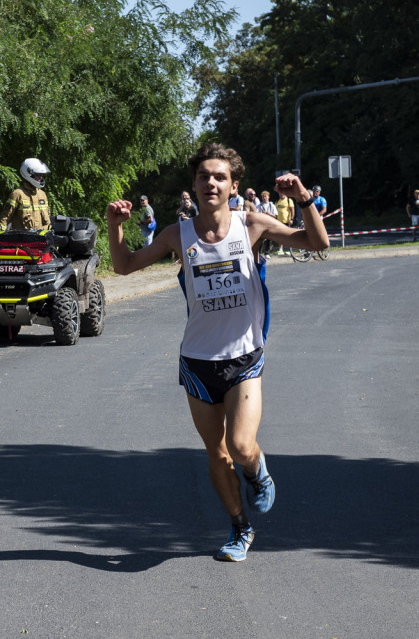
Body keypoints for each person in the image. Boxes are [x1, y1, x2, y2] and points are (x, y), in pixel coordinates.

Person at [105, 142, 329, 562]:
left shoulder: (252, 226)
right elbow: (124, 267)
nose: (211, 182)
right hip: (197, 362)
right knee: (217, 451)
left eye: (220, 176)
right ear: (194, 184)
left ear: (233, 186)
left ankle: (257, 472)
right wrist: (116, 227)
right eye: (204, 176)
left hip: (244, 357)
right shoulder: (178, 234)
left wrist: (304, 199)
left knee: (242, 446)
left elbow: (316, 242)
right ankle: (240, 528)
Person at [0, 158, 51, 232]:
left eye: (41, 175)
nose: (40, 178)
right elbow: (5, 217)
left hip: (40, 239)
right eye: (37, 175)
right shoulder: (17, 194)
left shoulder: (42, 194)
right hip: (22, 239)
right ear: (29, 173)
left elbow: (47, 220)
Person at [256, 190, 278, 257]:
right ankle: (259, 253)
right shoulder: (259, 205)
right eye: (263, 197)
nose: (264, 198)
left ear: (268, 197)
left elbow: (275, 215)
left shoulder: (272, 205)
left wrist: (268, 213)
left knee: (269, 239)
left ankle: (267, 253)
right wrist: (262, 214)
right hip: (262, 224)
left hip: (270, 224)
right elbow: (256, 214)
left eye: (265, 196)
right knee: (261, 239)